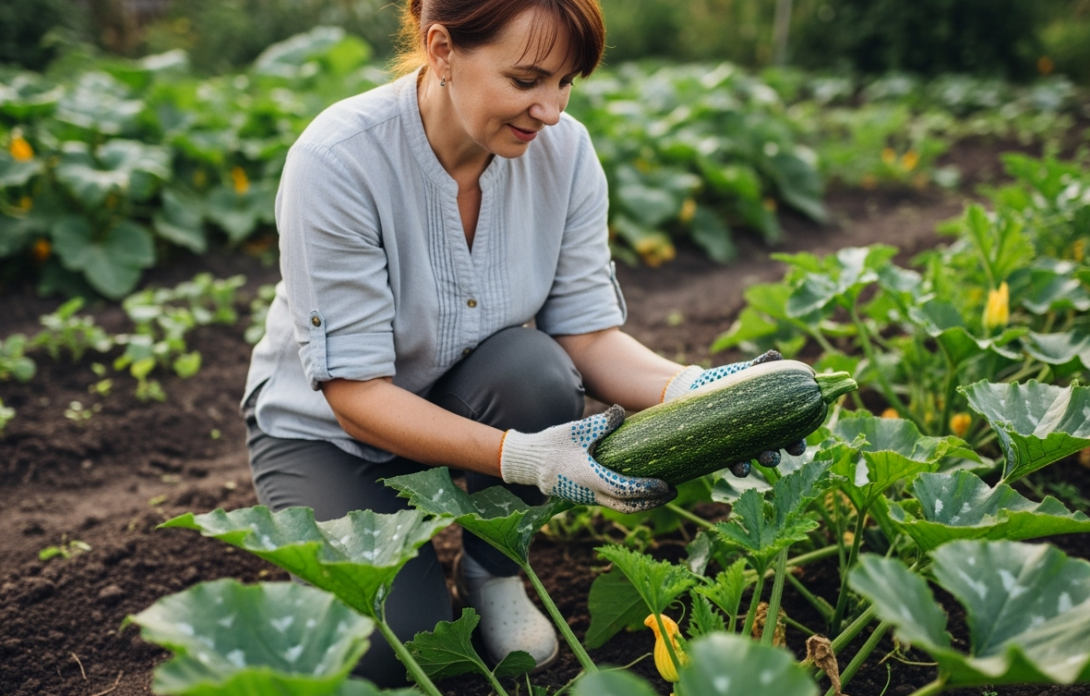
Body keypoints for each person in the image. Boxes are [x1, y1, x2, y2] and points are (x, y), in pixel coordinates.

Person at [241, 0, 793, 686]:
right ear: (442, 50)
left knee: (536, 370)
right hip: (331, 435)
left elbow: (589, 337)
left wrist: (701, 390)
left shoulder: (566, 155)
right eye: (527, 80)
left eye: (566, 82)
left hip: (472, 396)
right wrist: (527, 457)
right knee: (392, 652)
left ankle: (494, 571)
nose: (552, 110)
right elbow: (356, 396)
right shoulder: (339, 159)